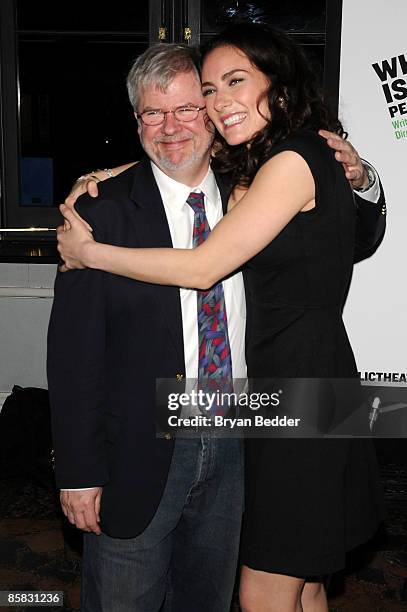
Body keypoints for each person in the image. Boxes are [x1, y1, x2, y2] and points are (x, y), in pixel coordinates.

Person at [54, 29, 386, 612]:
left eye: (189, 106)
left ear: (276, 91)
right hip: (168, 433)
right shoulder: (104, 211)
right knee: (295, 581)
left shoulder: (271, 176)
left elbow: (352, 236)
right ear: (136, 122)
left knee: (252, 589)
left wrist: (364, 176)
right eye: (152, 114)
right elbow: (73, 357)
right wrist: (78, 472)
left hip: (276, 407)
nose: (175, 123)